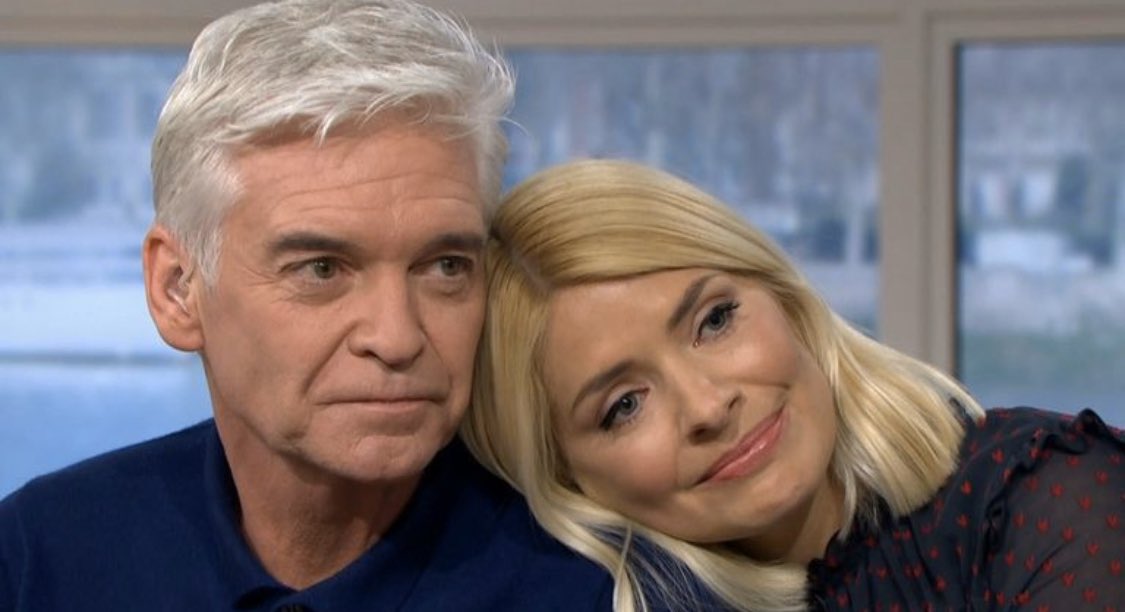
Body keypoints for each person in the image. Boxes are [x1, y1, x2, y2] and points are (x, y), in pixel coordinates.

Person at [0, 1, 616, 609]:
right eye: (321, 269)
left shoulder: (598, 588)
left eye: (445, 266)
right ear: (177, 290)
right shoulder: (41, 557)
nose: (397, 337)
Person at [462, 158, 1125, 612]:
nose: (708, 405)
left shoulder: (1050, 498)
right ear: (570, 481)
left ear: (784, 299)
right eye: (624, 406)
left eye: (714, 320)